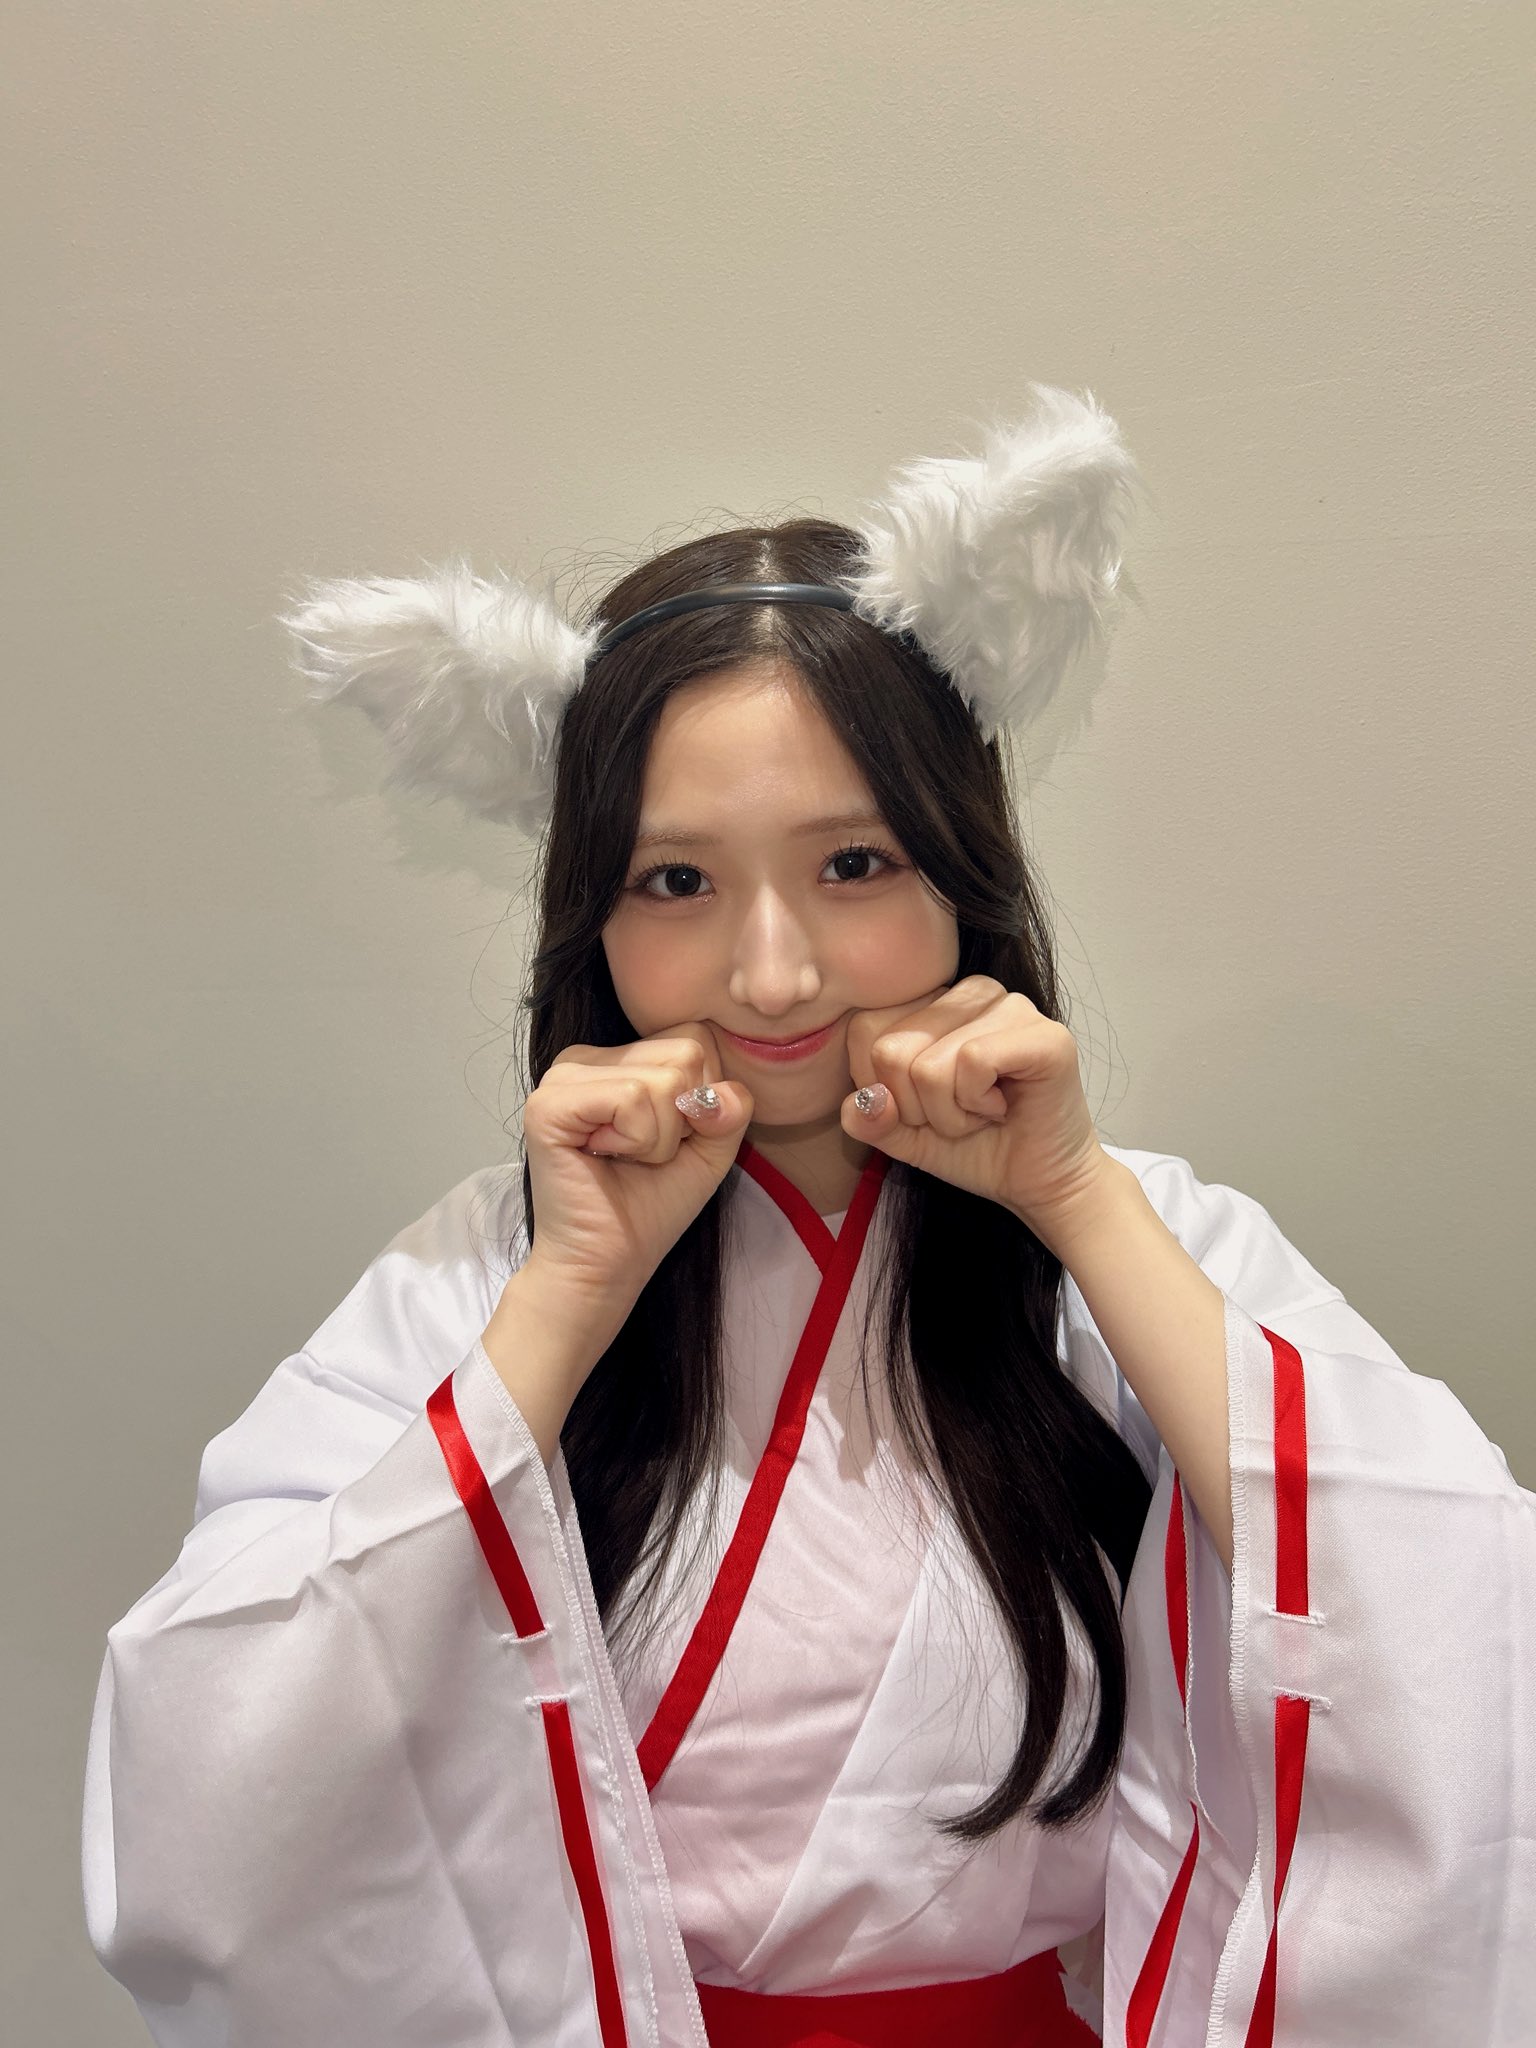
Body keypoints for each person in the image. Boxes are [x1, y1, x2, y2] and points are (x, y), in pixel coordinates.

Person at [82, 387, 1536, 2047]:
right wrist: (568, 1293)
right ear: (589, 917)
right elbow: (223, 1764)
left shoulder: (1142, 1240)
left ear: (963, 870)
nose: (772, 974)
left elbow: (1450, 1626)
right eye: (676, 882)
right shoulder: (480, 1275)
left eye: (853, 865)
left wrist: (1076, 1201)